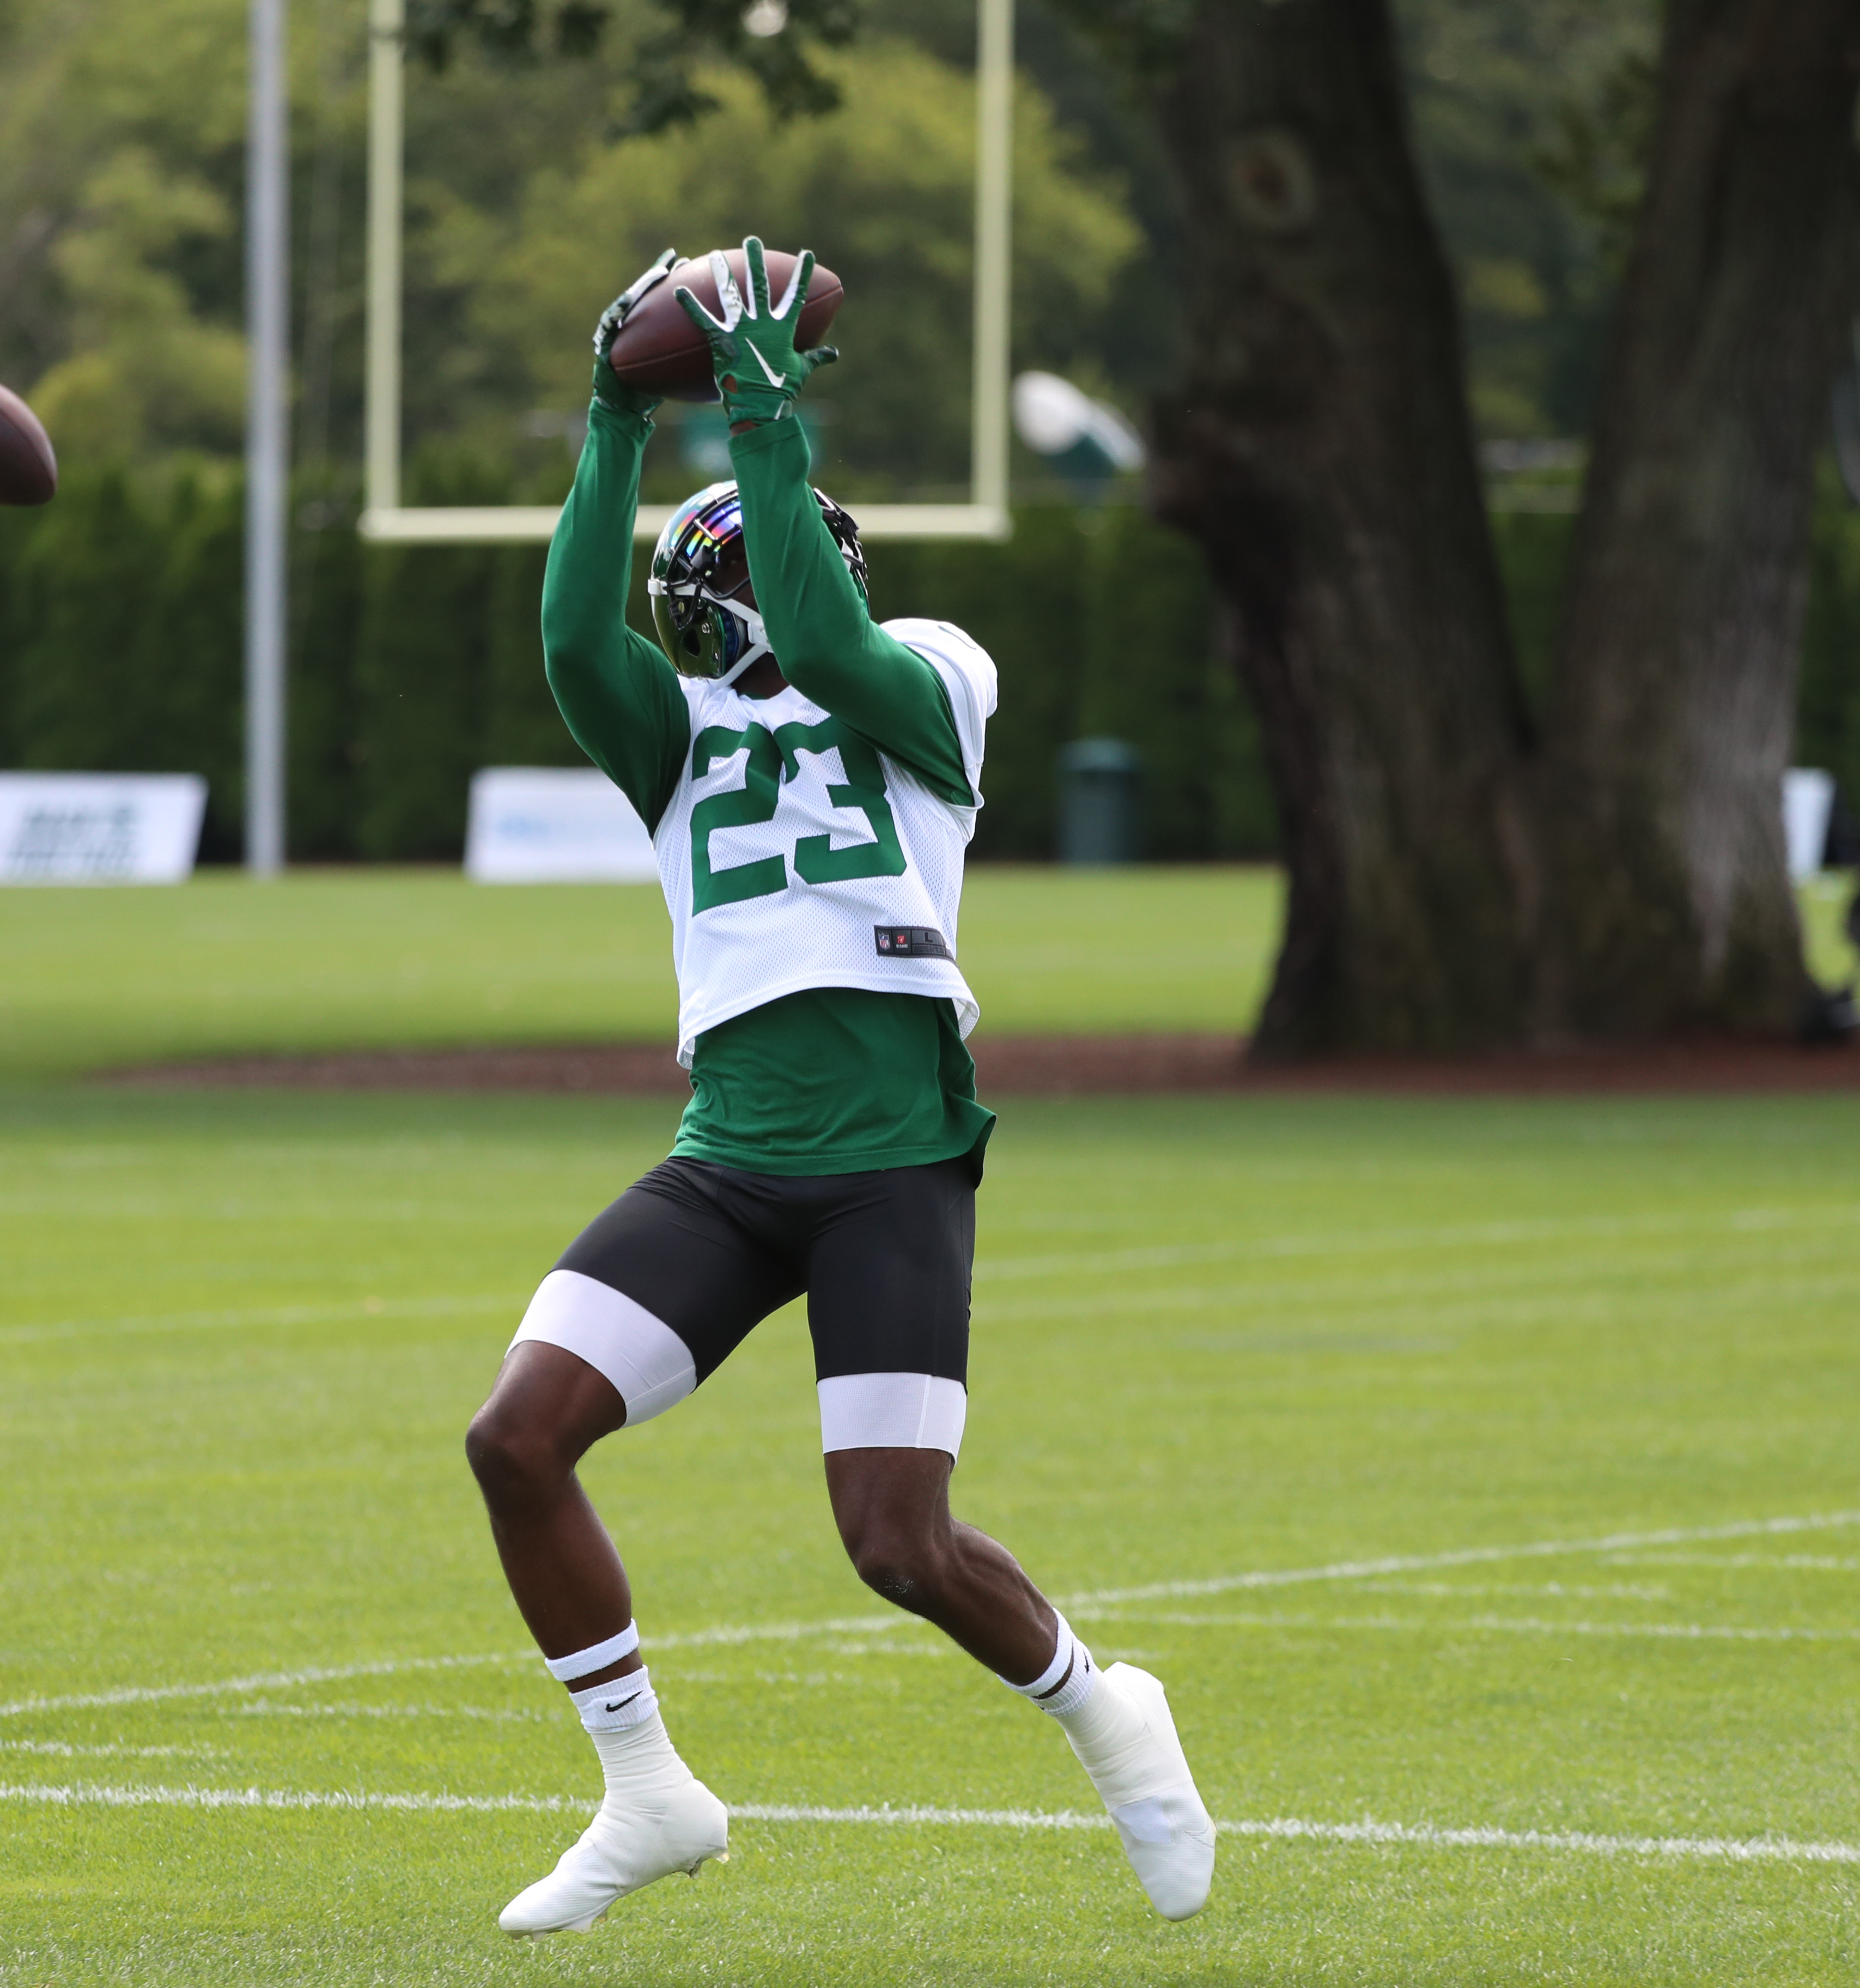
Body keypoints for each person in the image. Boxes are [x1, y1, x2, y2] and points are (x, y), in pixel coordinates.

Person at [465, 243, 1215, 1934]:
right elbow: (576, 630)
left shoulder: (930, 679)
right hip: (730, 1158)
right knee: (518, 1436)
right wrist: (608, 421)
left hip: (890, 1159)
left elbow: (818, 623)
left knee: (897, 1543)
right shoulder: (671, 743)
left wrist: (758, 409)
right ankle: (647, 1787)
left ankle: (1107, 1706)